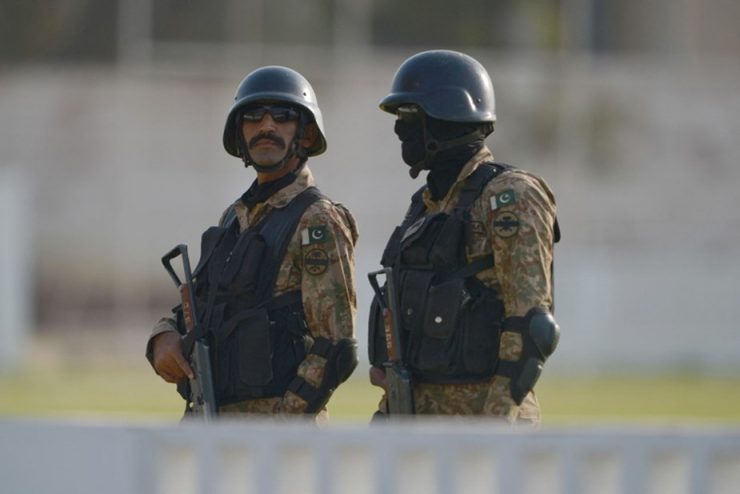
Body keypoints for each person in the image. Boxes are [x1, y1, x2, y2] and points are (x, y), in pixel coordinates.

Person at [146, 66, 359, 423]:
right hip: (213, 424)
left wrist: (279, 426)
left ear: (306, 134)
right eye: (253, 116)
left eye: (283, 115)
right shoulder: (234, 218)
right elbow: (203, 307)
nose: (267, 125)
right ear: (239, 132)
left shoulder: (317, 219)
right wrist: (163, 336)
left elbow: (336, 346)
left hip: (279, 438)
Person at [368, 50, 560, 424]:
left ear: (445, 116)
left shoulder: (510, 195)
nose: (399, 130)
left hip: (482, 424)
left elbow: (532, 325)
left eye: (409, 116)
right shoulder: (425, 205)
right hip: (413, 419)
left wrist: (493, 424)